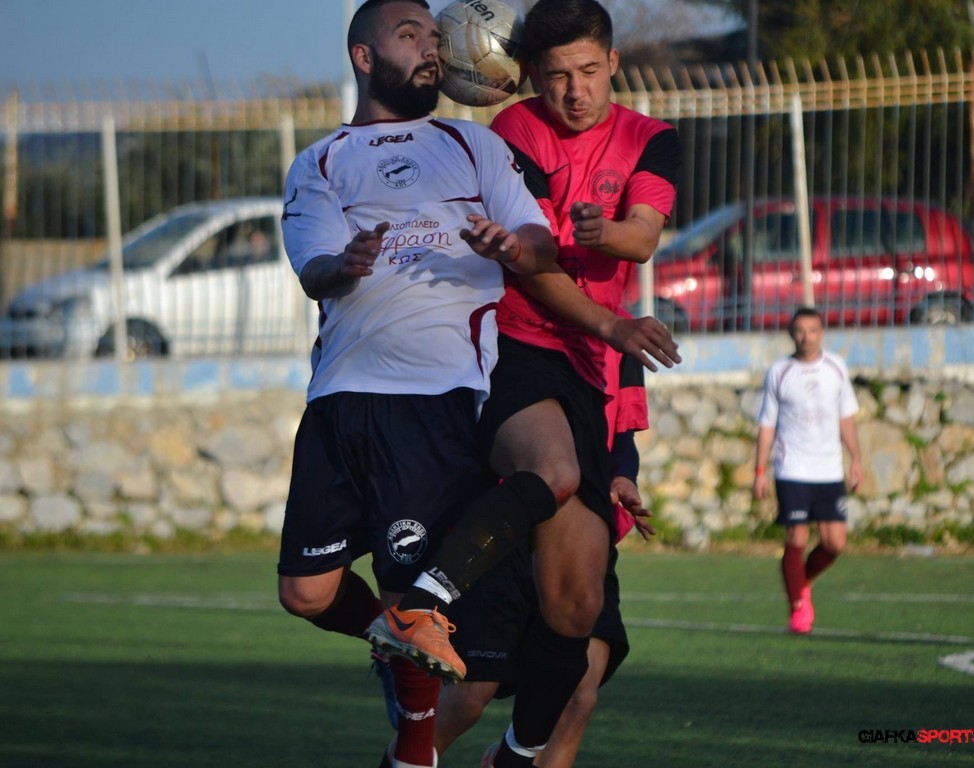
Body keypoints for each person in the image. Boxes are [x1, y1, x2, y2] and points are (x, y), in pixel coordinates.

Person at [367, 1, 682, 765]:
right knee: (551, 474)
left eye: (588, 71)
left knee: (578, 617)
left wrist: (608, 236)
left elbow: (642, 237)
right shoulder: (516, 130)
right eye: (556, 76)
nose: (575, 91)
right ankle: (425, 601)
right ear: (531, 77)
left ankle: (516, 756)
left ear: (613, 62)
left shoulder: (652, 137)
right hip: (514, 347)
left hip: (590, 371)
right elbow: (534, 262)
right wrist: (601, 313)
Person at [274, 2, 558, 767]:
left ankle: (410, 752)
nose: (431, 50)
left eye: (435, 37)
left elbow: (540, 241)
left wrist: (513, 245)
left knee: (412, 598)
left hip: (434, 398)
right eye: (410, 37)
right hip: (339, 395)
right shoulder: (321, 162)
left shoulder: (472, 145)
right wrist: (345, 264)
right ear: (364, 58)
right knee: (305, 593)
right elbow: (313, 269)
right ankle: (391, 638)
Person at [432, 340, 656, 767]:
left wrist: (624, 477)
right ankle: (406, 756)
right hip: (504, 534)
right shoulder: (510, 326)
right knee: (468, 699)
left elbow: (623, 436)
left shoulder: (623, 337)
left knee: (579, 698)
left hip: (583, 532)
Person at [753, 307, 863, 635]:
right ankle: (798, 610)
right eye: (800, 331)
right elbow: (767, 425)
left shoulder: (836, 368)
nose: (806, 337)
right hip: (792, 469)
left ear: (822, 333)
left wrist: (856, 459)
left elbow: (846, 418)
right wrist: (760, 470)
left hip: (829, 469)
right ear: (791, 334)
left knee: (834, 543)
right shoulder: (779, 371)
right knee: (796, 537)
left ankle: (802, 581)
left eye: (812, 330)